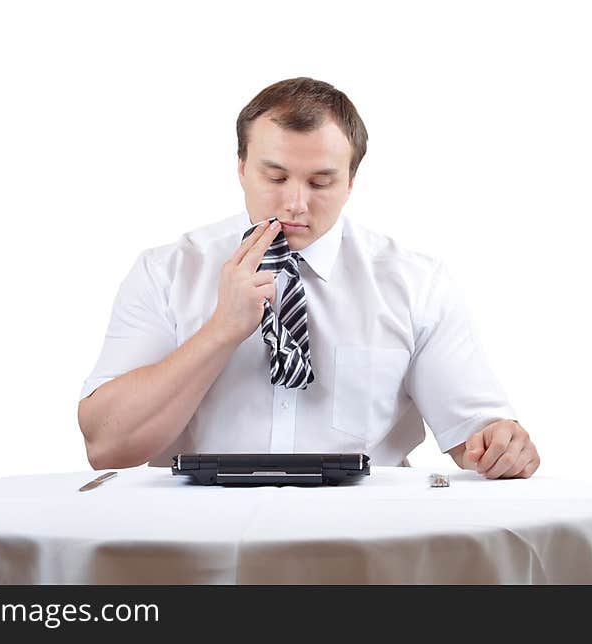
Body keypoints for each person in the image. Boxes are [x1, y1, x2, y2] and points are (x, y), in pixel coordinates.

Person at [77, 77, 540, 480]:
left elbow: (474, 437)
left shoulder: (416, 285)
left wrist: (501, 444)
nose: (295, 204)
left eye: (320, 183)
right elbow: (106, 446)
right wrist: (221, 331)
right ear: (240, 167)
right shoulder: (166, 273)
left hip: (364, 544)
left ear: (351, 182)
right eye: (275, 177)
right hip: (201, 541)